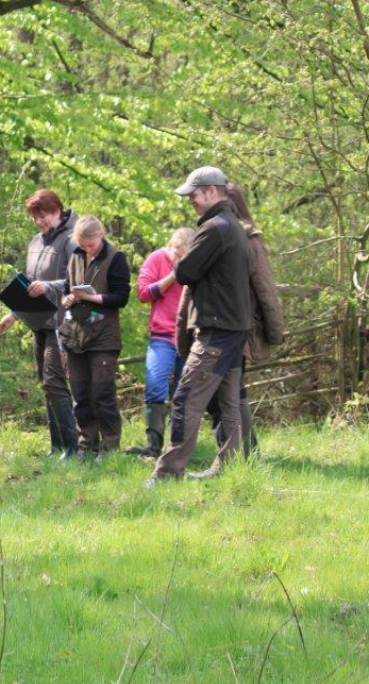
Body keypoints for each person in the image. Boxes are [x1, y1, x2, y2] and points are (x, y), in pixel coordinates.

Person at [144, 166, 252, 488]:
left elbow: (186, 272)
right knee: (228, 402)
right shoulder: (233, 226)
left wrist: (178, 258)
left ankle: (167, 474)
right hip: (234, 330)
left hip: (217, 331)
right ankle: (230, 468)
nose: (190, 199)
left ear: (211, 191)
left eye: (194, 193)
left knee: (186, 398)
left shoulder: (214, 228)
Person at [201, 183, 285, 461]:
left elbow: (264, 287)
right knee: (218, 391)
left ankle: (246, 456)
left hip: (239, 326)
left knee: (231, 390)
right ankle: (238, 454)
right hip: (212, 323)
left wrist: (273, 330)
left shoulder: (249, 239)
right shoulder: (214, 235)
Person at [0, 189, 78, 459]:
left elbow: (78, 281)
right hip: (38, 321)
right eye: (34, 217)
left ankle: (72, 448)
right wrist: (14, 314)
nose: (38, 222)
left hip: (62, 322)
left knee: (55, 381)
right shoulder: (35, 241)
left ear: (57, 210)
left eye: (41, 216)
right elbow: (29, 284)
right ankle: (55, 447)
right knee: (44, 382)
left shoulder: (72, 240)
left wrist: (49, 286)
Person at [57, 216, 131, 455]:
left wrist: (91, 297)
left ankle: (109, 448)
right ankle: (86, 446)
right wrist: (67, 298)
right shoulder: (75, 256)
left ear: (101, 235)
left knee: (102, 394)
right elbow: (67, 289)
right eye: (83, 245)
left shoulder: (116, 258)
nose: (87, 249)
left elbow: (121, 297)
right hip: (75, 334)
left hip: (104, 336)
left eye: (91, 244)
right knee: (80, 395)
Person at [125, 228, 193, 457]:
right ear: (170, 246)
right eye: (177, 254)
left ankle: (178, 449)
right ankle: (153, 446)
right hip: (162, 335)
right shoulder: (156, 259)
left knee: (183, 392)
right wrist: (172, 276)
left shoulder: (197, 264)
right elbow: (143, 293)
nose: (180, 260)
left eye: (185, 257)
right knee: (155, 385)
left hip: (188, 337)